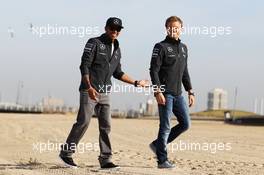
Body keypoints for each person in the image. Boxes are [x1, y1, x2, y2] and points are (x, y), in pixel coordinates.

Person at [59, 17, 148, 169]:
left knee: (106, 126)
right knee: (83, 122)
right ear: (106, 28)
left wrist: (136, 82)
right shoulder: (94, 43)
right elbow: (84, 66)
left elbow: (118, 72)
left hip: (105, 92)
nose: (115, 31)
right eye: (112, 28)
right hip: (89, 90)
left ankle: (105, 159)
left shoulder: (117, 48)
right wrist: (89, 87)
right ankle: (66, 154)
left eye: (118, 29)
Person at [149, 16, 195, 169]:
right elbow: (154, 70)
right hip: (165, 93)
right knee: (166, 126)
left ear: (181, 28)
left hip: (178, 94)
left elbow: (185, 72)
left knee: (186, 124)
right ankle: (162, 160)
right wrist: (157, 91)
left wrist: (190, 90)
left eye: (176, 27)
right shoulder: (160, 47)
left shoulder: (184, 48)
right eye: (170, 27)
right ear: (166, 28)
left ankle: (157, 145)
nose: (174, 30)